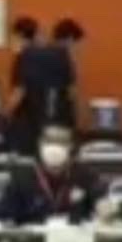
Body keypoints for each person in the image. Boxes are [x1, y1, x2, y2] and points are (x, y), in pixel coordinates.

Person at [10, 16, 78, 152]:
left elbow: (19, 93)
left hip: (30, 125)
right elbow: (72, 93)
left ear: (20, 37)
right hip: (59, 122)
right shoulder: (61, 55)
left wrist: (3, 116)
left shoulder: (23, 58)